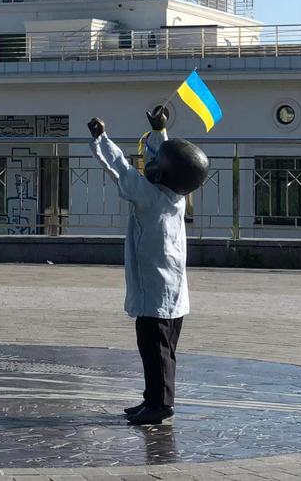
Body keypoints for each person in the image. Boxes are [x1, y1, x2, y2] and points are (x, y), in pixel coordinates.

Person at [88, 113, 207, 425]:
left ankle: (161, 404)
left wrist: (102, 139)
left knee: (155, 351)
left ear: (165, 174)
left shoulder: (150, 198)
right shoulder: (175, 196)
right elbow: (166, 162)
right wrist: (159, 132)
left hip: (155, 294)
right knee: (160, 351)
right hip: (169, 294)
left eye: (156, 164)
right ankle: (152, 398)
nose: (149, 164)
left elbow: (122, 172)